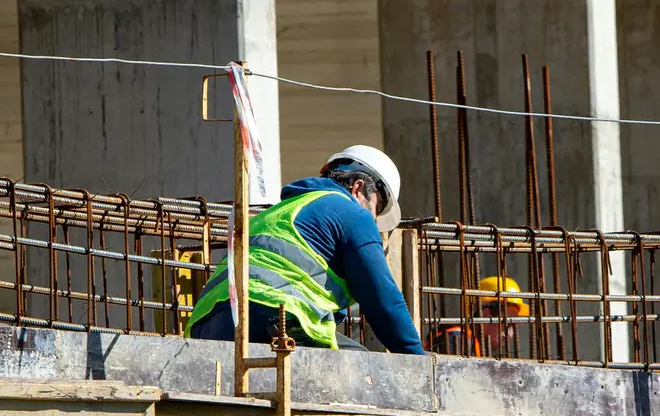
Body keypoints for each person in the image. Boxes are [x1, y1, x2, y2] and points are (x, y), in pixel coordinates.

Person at [184, 145, 424, 355]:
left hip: (206, 327)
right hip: (272, 317)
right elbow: (382, 300)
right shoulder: (351, 213)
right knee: (362, 371)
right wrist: (417, 360)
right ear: (359, 189)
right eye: (377, 207)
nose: (373, 218)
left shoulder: (278, 213)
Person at [424, 276, 530, 356]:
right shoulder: (458, 340)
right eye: (508, 324)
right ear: (486, 316)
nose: (510, 334)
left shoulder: (472, 344)